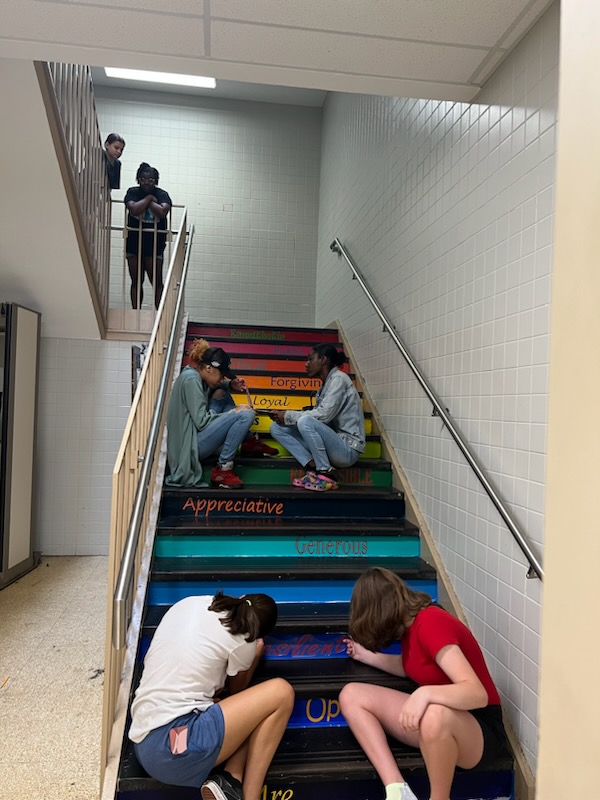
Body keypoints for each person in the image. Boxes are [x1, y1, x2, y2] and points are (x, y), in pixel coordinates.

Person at [340, 567, 509, 800]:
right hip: (439, 725)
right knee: (351, 694)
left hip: (479, 729)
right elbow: (410, 665)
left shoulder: (431, 623)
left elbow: (476, 692)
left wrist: (425, 694)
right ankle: (398, 790)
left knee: (434, 713)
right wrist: (366, 656)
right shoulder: (410, 628)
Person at [129, 592, 294, 800]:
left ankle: (230, 780)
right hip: (176, 747)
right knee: (282, 692)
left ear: (241, 598)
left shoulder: (190, 603)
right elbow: (237, 689)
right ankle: (250, 796)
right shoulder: (246, 638)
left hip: (144, 740)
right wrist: (255, 654)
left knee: (253, 716)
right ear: (258, 632)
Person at [269, 343, 365, 491]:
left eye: (310, 359)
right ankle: (313, 467)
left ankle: (326, 473)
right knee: (276, 427)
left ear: (323, 360)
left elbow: (323, 415)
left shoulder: (339, 379)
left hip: (347, 449)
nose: (306, 364)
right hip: (333, 444)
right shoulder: (324, 386)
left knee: (305, 421)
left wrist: (288, 415)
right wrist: (284, 417)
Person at [166, 339, 255, 488]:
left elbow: (217, 386)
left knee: (222, 392)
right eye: (222, 375)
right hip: (188, 448)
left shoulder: (193, 375)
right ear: (208, 368)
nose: (222, 379)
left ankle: (247, 441)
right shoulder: (191, 380)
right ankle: (223, 468)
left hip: (193, 440)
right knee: (246, 415)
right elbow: (202, 422)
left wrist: (230, 384)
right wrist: (234, 412)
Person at [124, 162, 172, 309]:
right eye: (144, 178)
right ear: (138, 179)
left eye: (151, 179)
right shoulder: (133, 191)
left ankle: (159, 313)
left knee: (156, 281)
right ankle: (135, 313)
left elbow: (163, 212)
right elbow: (133, 209)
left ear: (156, 181)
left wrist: (148, 201)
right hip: (133, 243)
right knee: (136, 281)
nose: (147, 182)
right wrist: (149, 199)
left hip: (154, 245)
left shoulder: (162, 194)